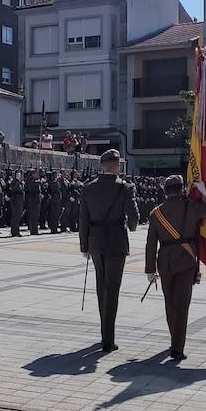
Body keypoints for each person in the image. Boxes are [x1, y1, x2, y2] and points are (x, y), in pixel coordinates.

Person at [144, 175, 206, 360]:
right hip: (187, 261)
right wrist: (203, 190)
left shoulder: (155, 213)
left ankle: (174, 338)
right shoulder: (191, 207)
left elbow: (150, 244)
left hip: (164, 262)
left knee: (170, 303)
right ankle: (177, 348)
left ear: (165, 191)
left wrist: (150, 269)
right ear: (181, 190)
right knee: (182, 305)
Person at [79, 150, 138, 353]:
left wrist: (84, 246)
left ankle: (104, 331)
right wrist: (132, 223)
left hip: (95, 241)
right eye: (118, 164)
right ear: (114, 165)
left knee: (100, 287)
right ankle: (108, 339)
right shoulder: (126, 187)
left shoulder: (88, 188)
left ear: (103, 166)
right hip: (116, 242)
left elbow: (83, 220)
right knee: (112, 289)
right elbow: (133, 220)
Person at [6, 170, 25, 237]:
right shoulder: (14, 182)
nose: (18, 176)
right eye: (17, 175)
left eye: (19, 175)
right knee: (15, 217)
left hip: (20, 201)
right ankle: (14, 232)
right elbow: (14, 190)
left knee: (18, 217)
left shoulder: (21, 182)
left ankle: (17, 231)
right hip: (15, 201)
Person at [24, 168, 42, 236]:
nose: (36, 175)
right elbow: (31, 187)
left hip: (37, 200)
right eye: (35, 174)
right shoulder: (29, 181)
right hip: (32, 201)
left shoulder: (36, 181)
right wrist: (38, 182)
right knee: (33, 216)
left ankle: (35, 229)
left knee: (36, 216)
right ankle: (33, 230)